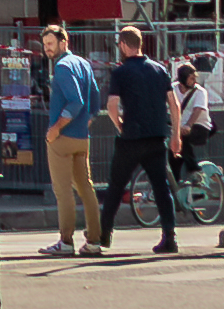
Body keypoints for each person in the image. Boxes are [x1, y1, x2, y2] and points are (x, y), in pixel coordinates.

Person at [100, 21, 186, 254]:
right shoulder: (159, 69)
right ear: (140, 44)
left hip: (131, 138)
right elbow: (174, 104)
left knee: (116, 185)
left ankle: (104, 234)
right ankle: (169, 236)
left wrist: (119, 124)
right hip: (157, 137)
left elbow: (111, 105)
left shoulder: (120, 72)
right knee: (161, 187)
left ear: (123, 45)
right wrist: (175, 135)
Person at [38, 21, 103, 256]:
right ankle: (95, 240)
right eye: (45, 44)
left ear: (64, 42)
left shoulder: (63, 67)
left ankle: (65, 242)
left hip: (62, 138)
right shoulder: (83, 64)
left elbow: (76, 101)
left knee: (63, 191)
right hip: (82, 137)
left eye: (51, 43)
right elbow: (95, 100)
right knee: (86, 188)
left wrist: (56, 128)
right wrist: (87, 120)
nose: (47, 48)